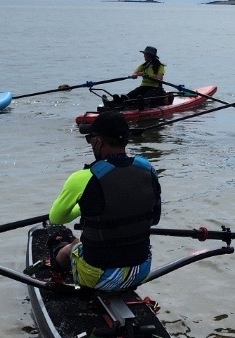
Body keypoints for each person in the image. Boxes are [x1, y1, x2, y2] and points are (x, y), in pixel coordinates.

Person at [48, 110, 161, 290]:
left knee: (72, 244)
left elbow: (56, 218)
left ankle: (57, 264)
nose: (90, 144)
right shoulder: (148, 169)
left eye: (90, 139)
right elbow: (154, 219)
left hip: (95, 277)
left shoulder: (83, 177)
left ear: (98, 141)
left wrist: (82, 208)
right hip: (141, 270)